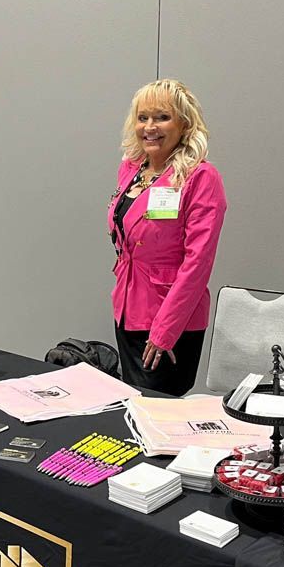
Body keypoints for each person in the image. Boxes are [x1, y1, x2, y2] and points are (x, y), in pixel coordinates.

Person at [108, 79, 226, 396]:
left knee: (158, 409)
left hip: (170, 320)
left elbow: (198, 263)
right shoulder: (131, 169)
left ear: (184, 124)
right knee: (134, 403)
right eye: (143, 117)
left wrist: (165, 330)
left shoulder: (201, 178)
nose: (150, 127)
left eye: (162, 117)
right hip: (128, 309)